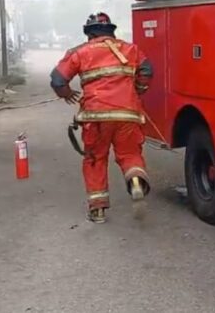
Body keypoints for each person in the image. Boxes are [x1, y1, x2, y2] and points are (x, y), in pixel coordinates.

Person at [50, 12, 153, 223]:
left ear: (89, 33)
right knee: (129, 153)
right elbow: (147, 70)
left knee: (95, 159)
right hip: (128, 114)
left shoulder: (80, 52)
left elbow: (57, 79)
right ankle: (134, 180)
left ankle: (98, 210)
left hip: (96, 117)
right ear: (111, 31)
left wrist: (67, 94)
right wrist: (137, 90)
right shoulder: (130, 49)